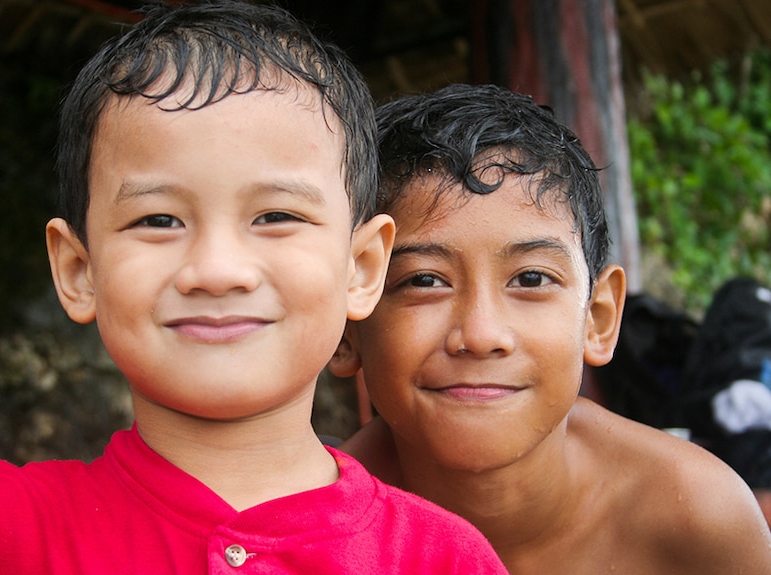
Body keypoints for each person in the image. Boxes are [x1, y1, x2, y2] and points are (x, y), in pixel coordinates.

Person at [0, 7, 510, 574]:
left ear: (361, 267)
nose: (218, 270)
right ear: (77, 270)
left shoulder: (441, 560)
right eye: (159, 221)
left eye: (276, 216)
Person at [330, 83, 771, 574]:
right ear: (346, 329)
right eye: (425, 280)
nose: (481, 334)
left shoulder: (694, 517)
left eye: (532, 279)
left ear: (598, 318)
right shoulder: (316, 536)